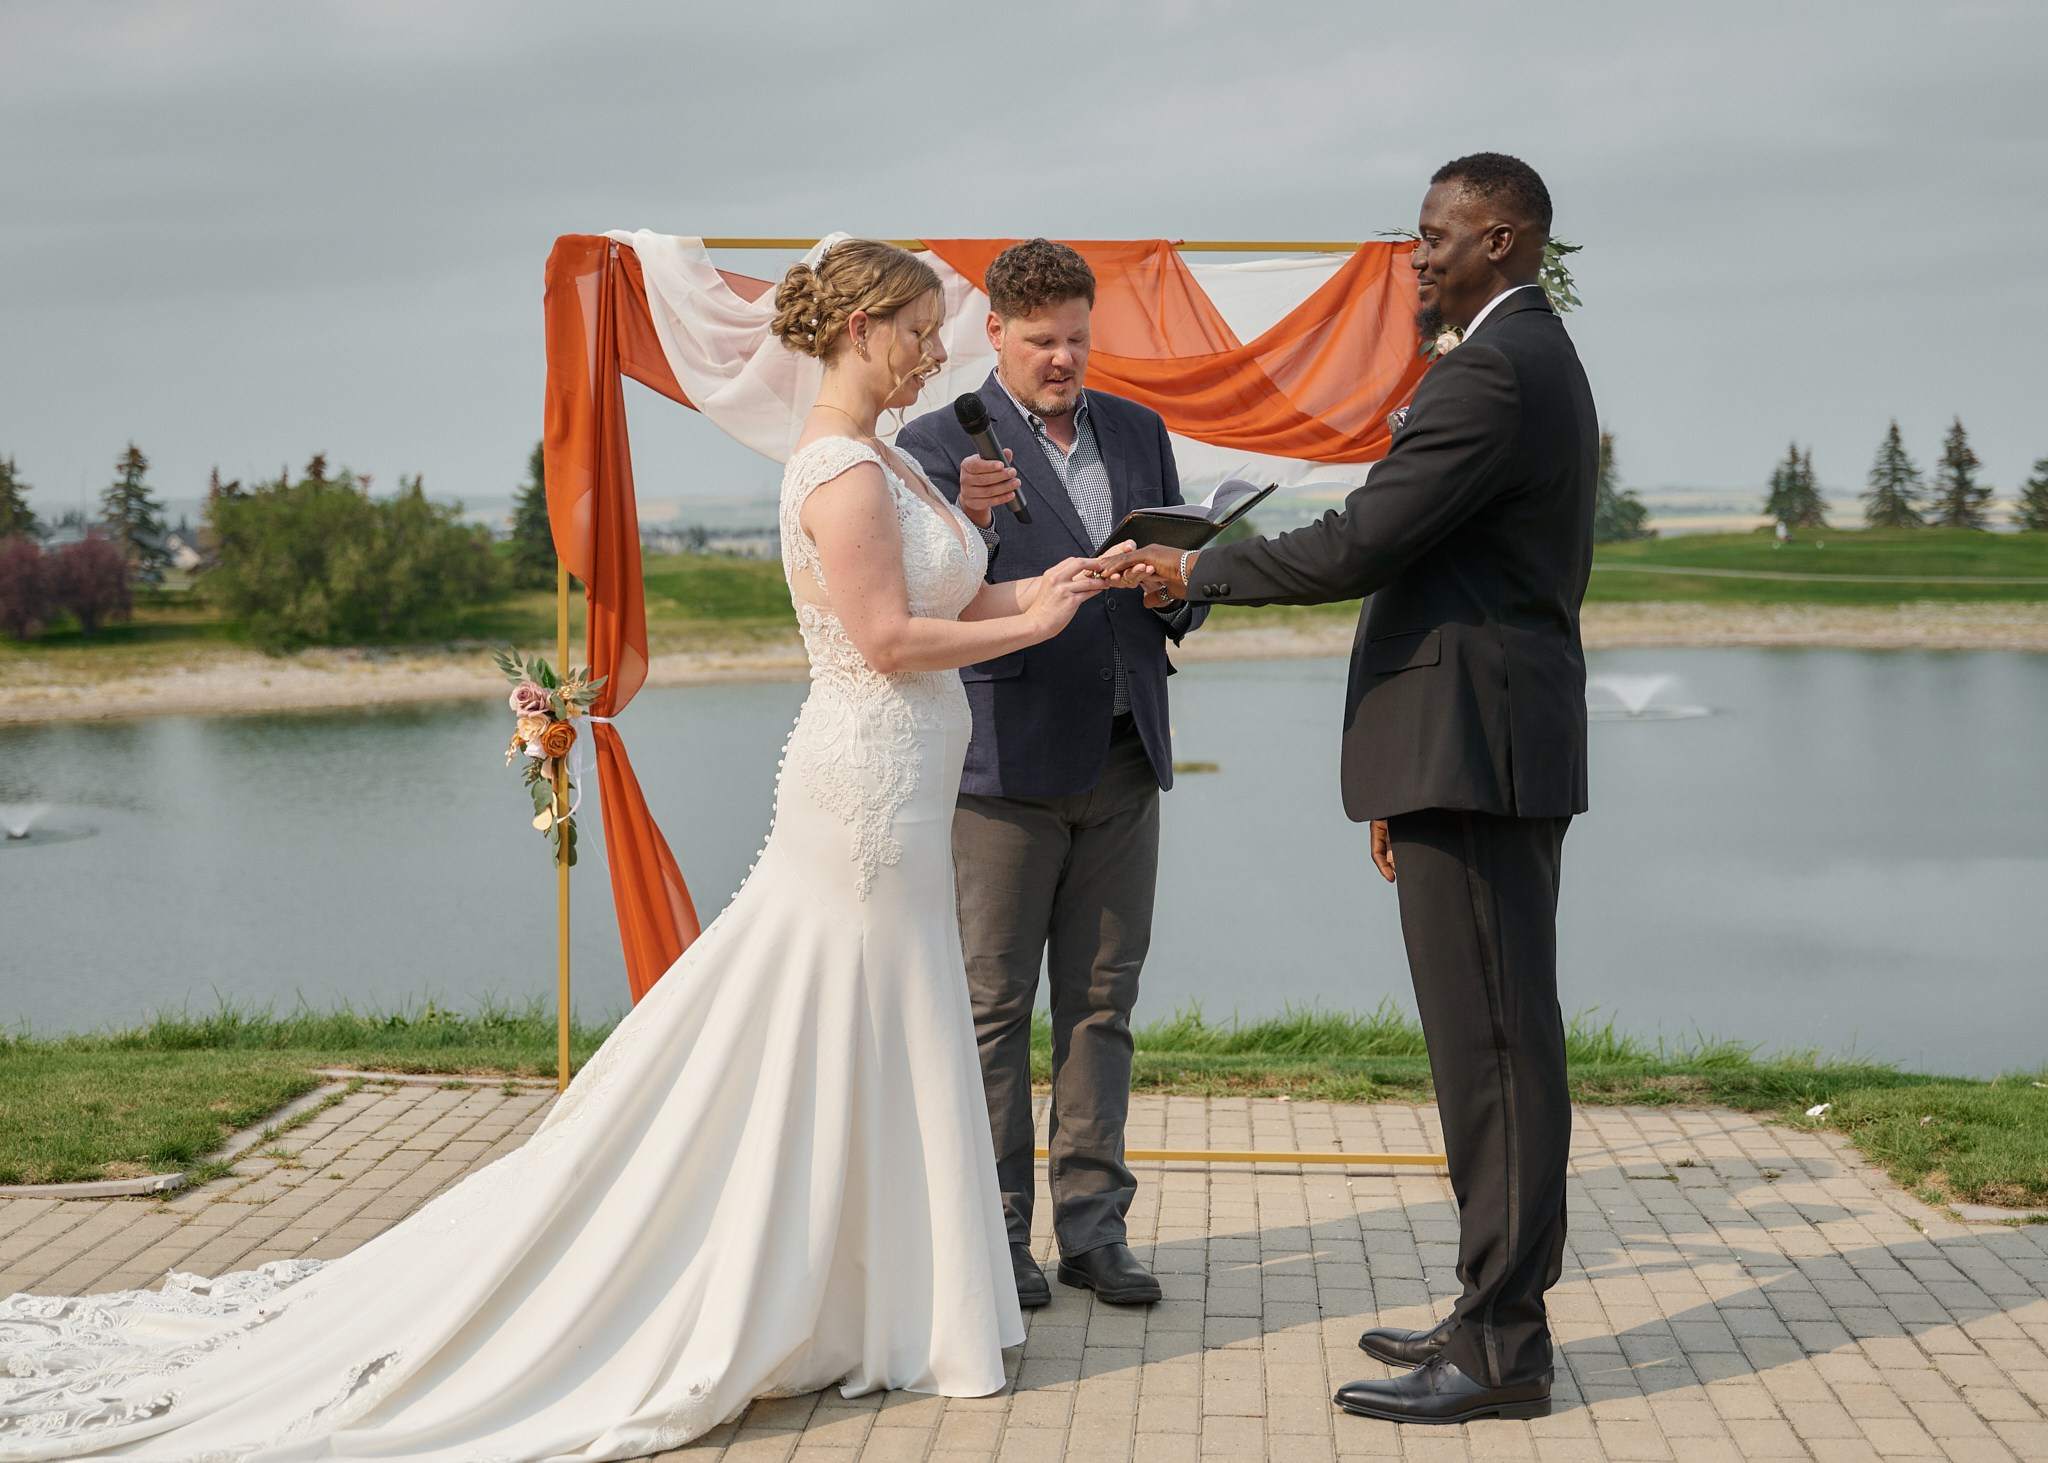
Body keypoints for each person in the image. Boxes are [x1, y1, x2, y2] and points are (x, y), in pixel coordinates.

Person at [0, 240, 1122, 1459]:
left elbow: (950, 604)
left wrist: (1050, 581)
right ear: (857, 327)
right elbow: (888, 638)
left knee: (880, 1023)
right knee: (824, 1016)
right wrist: (1039, 617)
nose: (928, 347)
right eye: (915, 325)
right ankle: (797, 1278)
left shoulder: (900, 470)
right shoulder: (841, 472)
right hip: (862, 787)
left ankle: (880, 1292)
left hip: (902, 789)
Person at [1103, 154, 1597, 1425]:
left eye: (1439, 235)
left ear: (1507, 237)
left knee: (1489, 1054)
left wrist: (1195, 573)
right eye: (1416, 232)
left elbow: (1370, 536)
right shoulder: (1514, 358)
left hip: (1474, 752)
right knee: (1489, 1044)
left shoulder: (1492, 367)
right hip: (1473, 747)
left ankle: (1500, 1351)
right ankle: (1490, 1305)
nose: (1417, 254)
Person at [897, 240, 1206, 1309]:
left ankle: (1092, 1231)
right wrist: (977, 521)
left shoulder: (1137, 430)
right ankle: (994, 1237)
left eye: (1077, 337)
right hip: (1003, 767)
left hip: (1126, 755)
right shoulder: (934, 444)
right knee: (992, 1009)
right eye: (1041, 342)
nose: (1064, 358)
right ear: (995, 335)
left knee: (1102, 1003)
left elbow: (1182, 585)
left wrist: (1172, 589)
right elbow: (920, 598)